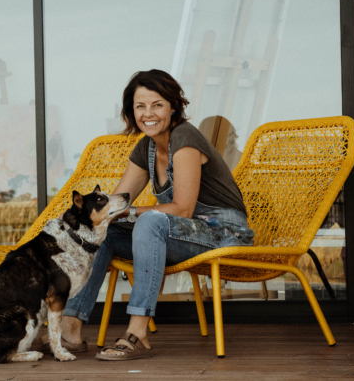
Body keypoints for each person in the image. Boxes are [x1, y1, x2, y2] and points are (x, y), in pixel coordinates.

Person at [32, 69, 254, 361]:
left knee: (149, 221)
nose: (148, 113)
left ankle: (137, 332)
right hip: (182, 234)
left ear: (173, 106)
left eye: (157, 104)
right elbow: (115, 204)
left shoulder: (185, 137)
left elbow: (184, 208)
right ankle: (71, 327)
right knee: (106, 231)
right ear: (131, 111)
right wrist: (99, 218)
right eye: (140, 106)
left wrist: (133, 212)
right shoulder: (147, 147)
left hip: (224, 233)